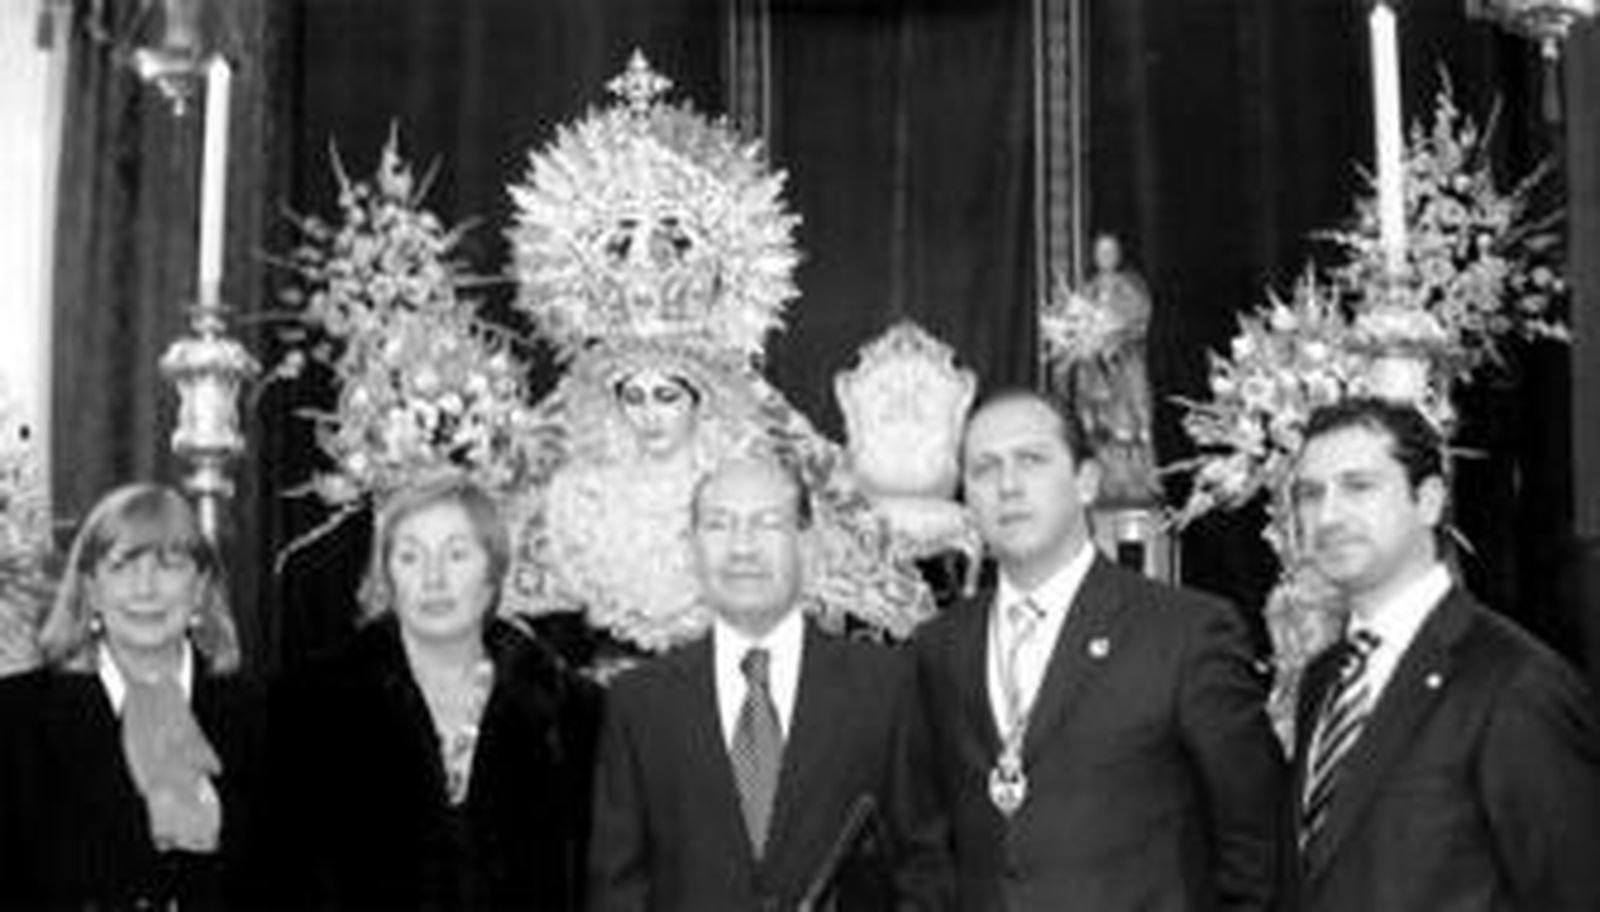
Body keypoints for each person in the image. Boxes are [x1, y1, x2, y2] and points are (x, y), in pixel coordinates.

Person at [911, 388, 1284, 910]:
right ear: (966, 497)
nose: (1008, 486)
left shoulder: (1185, 633)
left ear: (1086, 481)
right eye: (984, 469)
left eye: (1031, 460)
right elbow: (926, 850)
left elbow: (1257, 848)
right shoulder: (938, 647)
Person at [588, 457, 951, 910]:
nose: (742, 547)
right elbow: (616, 888)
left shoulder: (885, 686)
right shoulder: (640, 704)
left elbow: (926, 866)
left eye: (767, 523)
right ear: (692, 548)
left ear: (807, 544)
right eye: (719, 525)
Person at [1283, 396, 1600, 911]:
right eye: (1310, 494)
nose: (1328, 515)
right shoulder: (1323, 679)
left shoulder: (1515, 683)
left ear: (1428, 501)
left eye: (1358, 486)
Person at [260, 474, 600, 909]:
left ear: (493, 571)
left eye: (456, 555)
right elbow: (275, 881)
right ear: (388, 577)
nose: (433, 578)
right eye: (410, 557)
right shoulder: (308, 706)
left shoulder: (573, 712)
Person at [0, 483, 262, 909]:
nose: (145, 588)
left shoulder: (266, 717)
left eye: (169, 565)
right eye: (122, 566)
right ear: (91, 588)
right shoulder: (14, 721)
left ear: (201, 586)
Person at [1074, 233, 1159, 504]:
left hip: (1125, 369)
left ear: (1118, 255)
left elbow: (1140, 323)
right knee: (1100, 431)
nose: (1106, 257)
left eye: (1110, 251)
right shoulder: (1087, 291)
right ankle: (1106, 485)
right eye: (1101, 252)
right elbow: (1076, 327)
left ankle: (1136, 485)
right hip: (1095, 371)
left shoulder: (1130, 288)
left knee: (1129, 427)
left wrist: (1116, 336)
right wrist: (1089, 343)